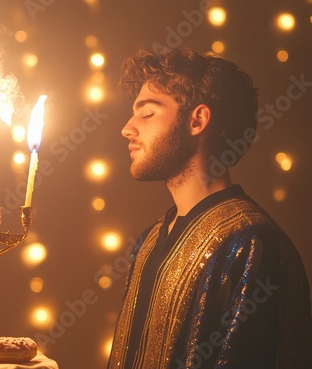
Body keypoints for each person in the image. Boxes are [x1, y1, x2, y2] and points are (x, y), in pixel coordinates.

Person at [107, 48, 312, 369]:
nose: (127, 129)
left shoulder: (252, 242)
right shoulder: (148, 240)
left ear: (197, 120)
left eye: (146, 113)